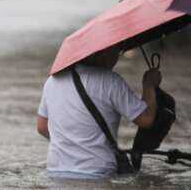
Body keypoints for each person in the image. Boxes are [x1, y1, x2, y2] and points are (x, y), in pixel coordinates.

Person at [36, 46, 161, 178]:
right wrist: (149, 85)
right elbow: (146, 119)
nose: (116, 58)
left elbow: (42, 127)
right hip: (97, 172)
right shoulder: (111, 81)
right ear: (103, 54)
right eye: (116, 52)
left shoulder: (52, 81)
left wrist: (72, 143)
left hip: (56, 171)